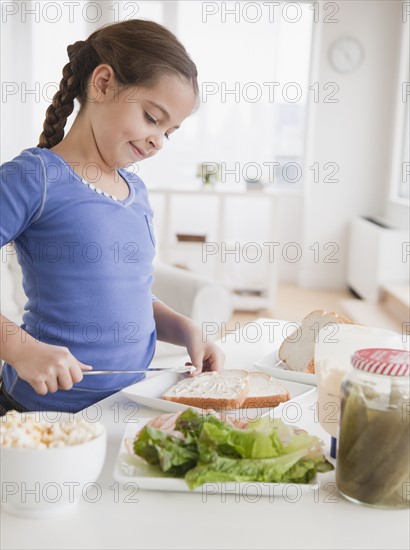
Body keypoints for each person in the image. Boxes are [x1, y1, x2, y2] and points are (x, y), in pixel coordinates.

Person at [0, 19, 225, 415]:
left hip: (128, 405)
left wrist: (183, 327)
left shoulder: (135, 192)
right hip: (43, 414)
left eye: (169, 132)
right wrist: (20, 348)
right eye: (153, 118)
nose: (158, 140)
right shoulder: (33, 177)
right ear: (102, 84)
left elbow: (124, 293)